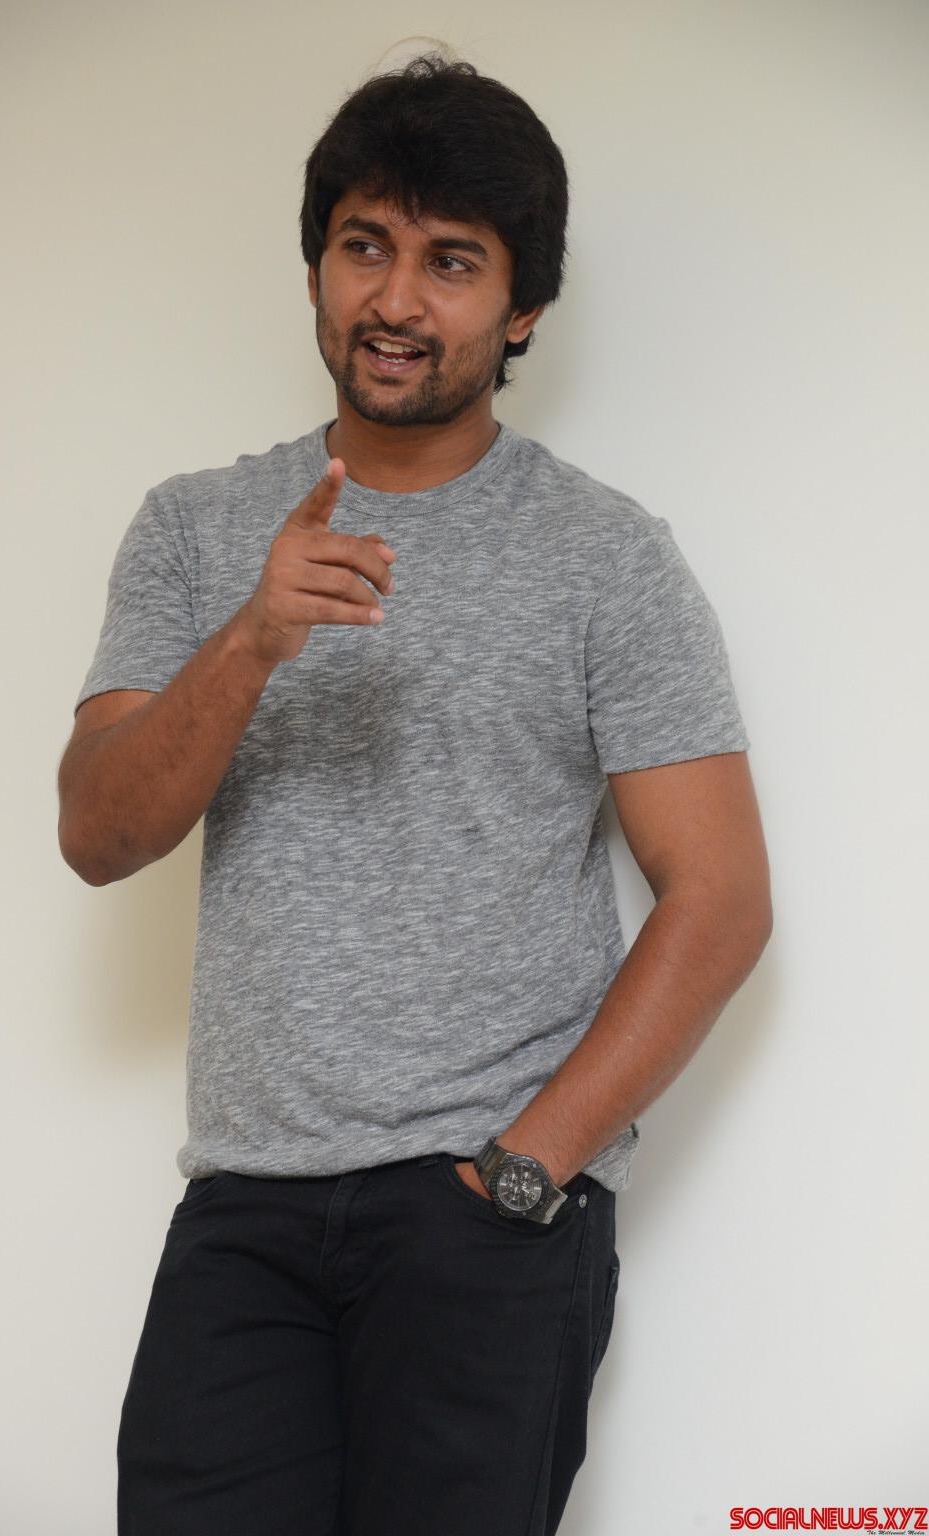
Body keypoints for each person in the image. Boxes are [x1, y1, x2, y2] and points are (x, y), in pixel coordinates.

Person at [58, 51, 772, 1536]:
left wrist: (528, 1173)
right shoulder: (195, 530)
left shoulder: (605, 556)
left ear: (521, 310)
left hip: (484, 1220)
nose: (395, 299)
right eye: (364, 245)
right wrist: (252, 639)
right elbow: (99, 835)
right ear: (316, 267)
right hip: (244, 1212)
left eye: (452, 262)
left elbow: (720, 901)